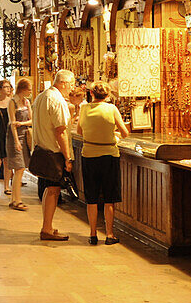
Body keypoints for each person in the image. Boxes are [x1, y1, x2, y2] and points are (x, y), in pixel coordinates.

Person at [77, 82, 129, 245]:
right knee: (109, 197)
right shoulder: (112, 109)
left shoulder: (84, 108)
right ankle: (109, 234)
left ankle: (92, 234)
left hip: (89, 155)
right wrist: (112, 133)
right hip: (109, 156)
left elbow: (79, 131)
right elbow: (125, 133)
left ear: (91, 93)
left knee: (91, 197)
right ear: (107, 96)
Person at [30, 71, 74, 241]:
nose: (71, 89)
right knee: (54, 190)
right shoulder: (57, 100)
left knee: (48, 189)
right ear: (63, 83)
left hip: (42, 149)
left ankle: (47, 226)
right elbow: (60, 131)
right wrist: (68, 158)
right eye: (71, 84)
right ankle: (47, 228)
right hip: (53, 152)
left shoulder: (41, 97)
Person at [5, 78, 33, 210]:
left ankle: (14, 199)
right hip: (14, 137)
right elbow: (12, 123)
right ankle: (17, 200)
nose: (31, 91)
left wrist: (22, 123)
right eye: (29, 89)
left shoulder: (26, 102)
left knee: (20, 169)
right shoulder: (13, 102)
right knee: (19, 168)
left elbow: (32, 121)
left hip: (25, 135)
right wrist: (16, 141)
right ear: (23, 89)